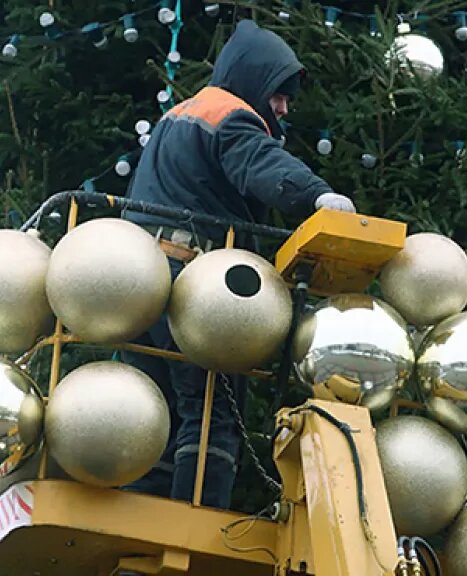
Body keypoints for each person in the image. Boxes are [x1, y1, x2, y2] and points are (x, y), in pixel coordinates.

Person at [121, 19, 355, 511]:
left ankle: (141, 524)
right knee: (211, 412)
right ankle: (195, 525)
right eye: (279, 95)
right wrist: (318, 196)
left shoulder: (177, 116)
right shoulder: (230, 115)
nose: (284, 108)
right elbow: (260, 163)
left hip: (134, 282)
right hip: (196, 288)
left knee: (147, 410)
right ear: (254, 79)